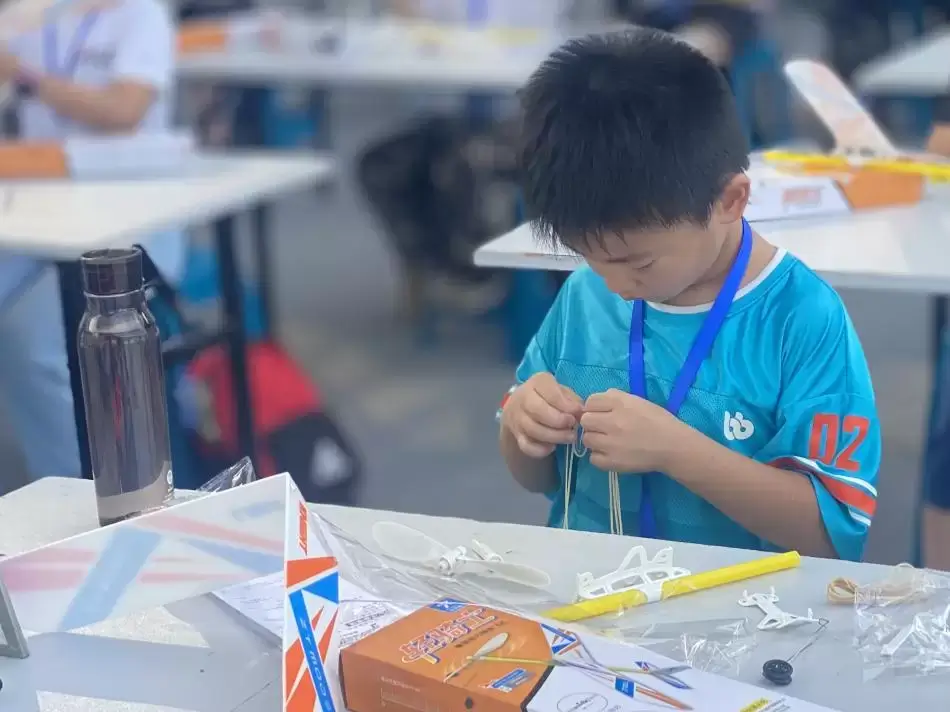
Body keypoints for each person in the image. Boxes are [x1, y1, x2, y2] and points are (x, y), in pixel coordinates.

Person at [498, 29, 881, 561]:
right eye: (588, 257)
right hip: (588, 588)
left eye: (638, 263)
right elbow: (535, 476)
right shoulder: (587, 293)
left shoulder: (801, 319)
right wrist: (524, 427)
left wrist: (676, 450)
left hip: (746, 604)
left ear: (730, 200)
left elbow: (831, 533)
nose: (613, 285)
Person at [0, 0, 185, 478]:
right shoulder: (34, 17)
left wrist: (26, 77)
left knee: (33, 346)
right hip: (38, 208)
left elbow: (124, 110)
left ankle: (71, 488)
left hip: (127, 220)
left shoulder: (141, 16)